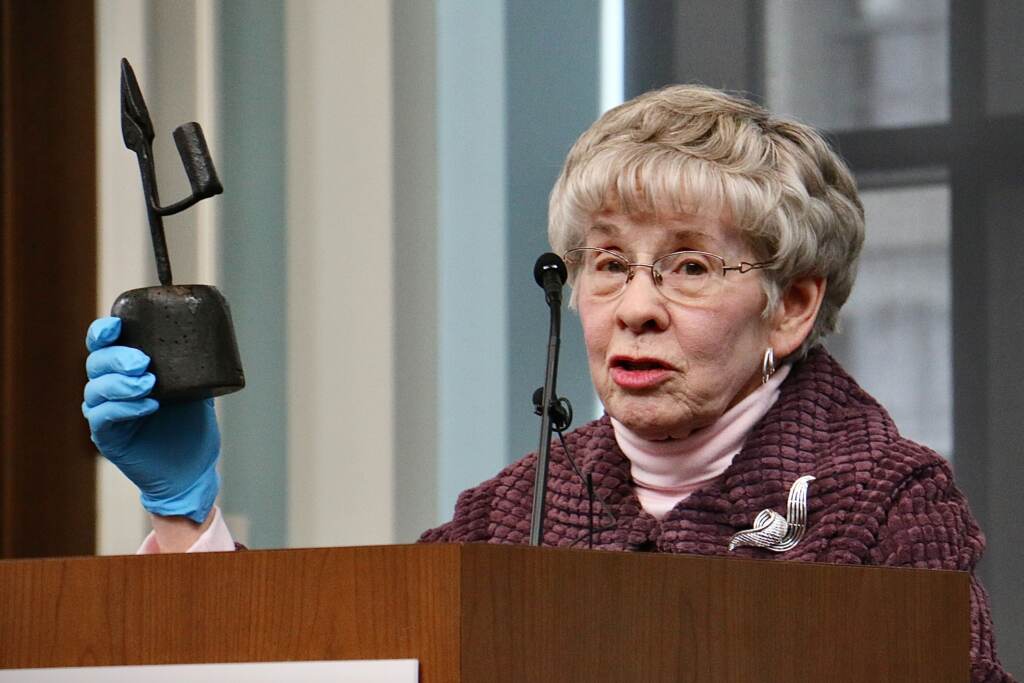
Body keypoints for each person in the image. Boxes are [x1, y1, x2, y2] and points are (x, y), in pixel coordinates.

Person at [83, 85, 1012, 681]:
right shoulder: (507, 514)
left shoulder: (887, 503)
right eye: (607, 263)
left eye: (688, 267)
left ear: (792, 306)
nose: (634, 307)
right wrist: (187, 516)